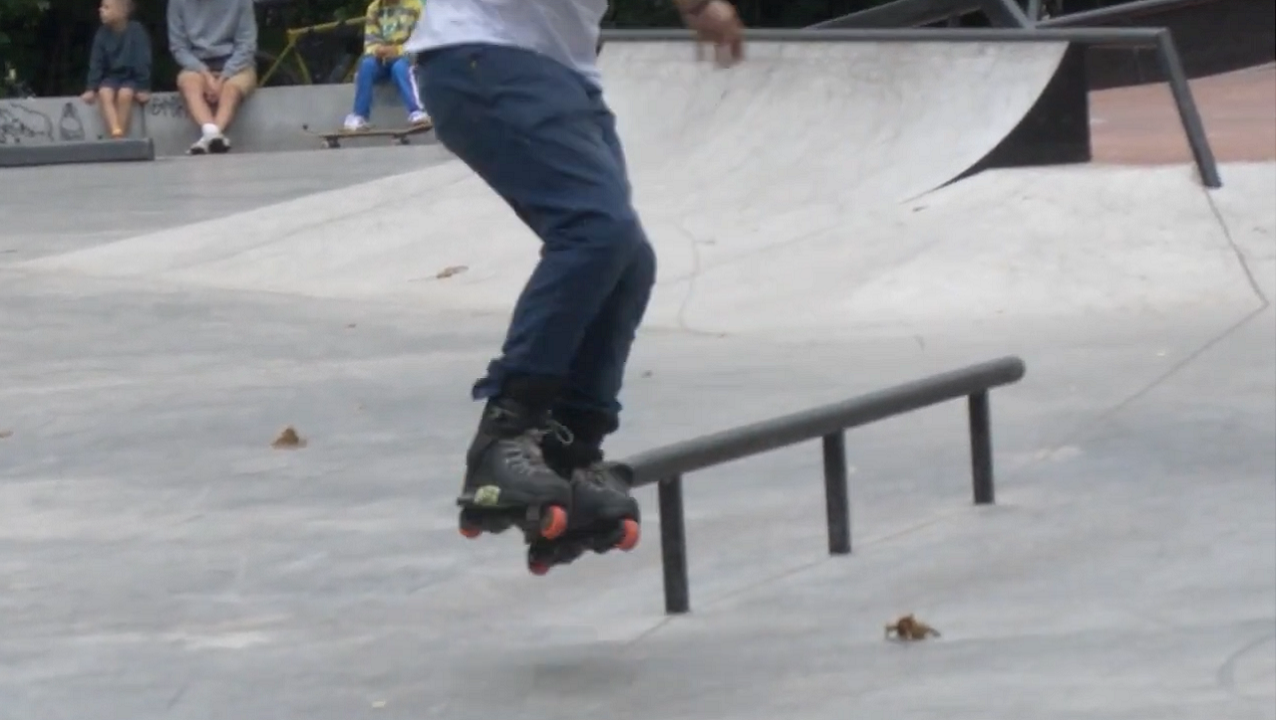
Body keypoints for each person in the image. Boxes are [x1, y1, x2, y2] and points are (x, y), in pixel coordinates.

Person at [405, 0, 745, 570]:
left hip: (559, 72)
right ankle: (505, 434)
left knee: (628, 259)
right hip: (483, 53)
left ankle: (569, 450)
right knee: (595, 230)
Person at [167, 0, 258, 155]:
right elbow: (179, 48)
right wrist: (205, 73)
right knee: (189, 84)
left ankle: (208, 137)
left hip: (237, 63)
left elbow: (247, 45)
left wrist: (225, 76)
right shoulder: (177, 3)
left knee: (231, 89)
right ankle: (214, 136)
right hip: (197, 63)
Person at [343, 0, 431, 131]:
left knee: (399, 67)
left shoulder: (415, 6)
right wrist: (377, 50)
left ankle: (416, 111)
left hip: (408, 57)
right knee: (366, 65)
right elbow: (370, 41)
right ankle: (360, 115)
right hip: (383, 58)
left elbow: (422, 40)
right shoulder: (374, 8)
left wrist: (398, 50)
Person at [81, 0, 152, 139]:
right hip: (111, 76)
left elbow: (142, 60)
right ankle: (115, 130)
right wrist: (91, 88)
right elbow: (96, 63)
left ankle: (119, 136)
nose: (100, 10)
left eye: (106, 7)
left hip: (131, 77)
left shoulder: (136, 31)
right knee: (104, 93)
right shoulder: (101, 33)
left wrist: (143, 87)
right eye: (101, 7)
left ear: (122, 12)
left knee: (125, 94)